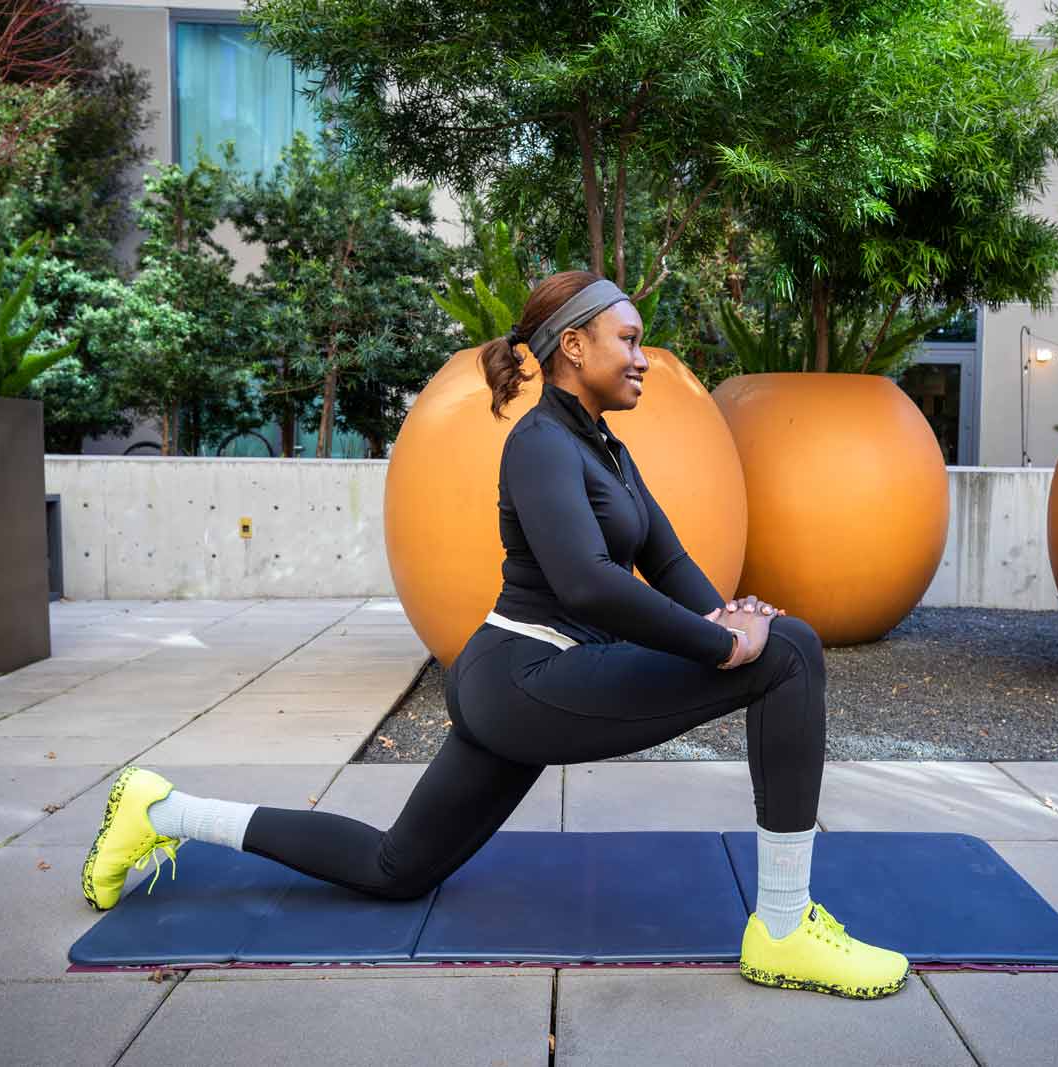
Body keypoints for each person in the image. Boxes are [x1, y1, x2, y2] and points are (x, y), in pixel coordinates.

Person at [81, 271, 910, 999]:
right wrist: (725, 645)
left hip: (520, 680)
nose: (643, 357)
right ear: (573, 345)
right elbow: (587, 580)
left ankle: (165, 808)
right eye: (628, 340)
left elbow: (668, 556)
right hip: (525, 677)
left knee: (395, 869)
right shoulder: (539, 443)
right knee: (793, 652)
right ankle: (781, 929)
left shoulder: (607, 450)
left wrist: (731, 614)